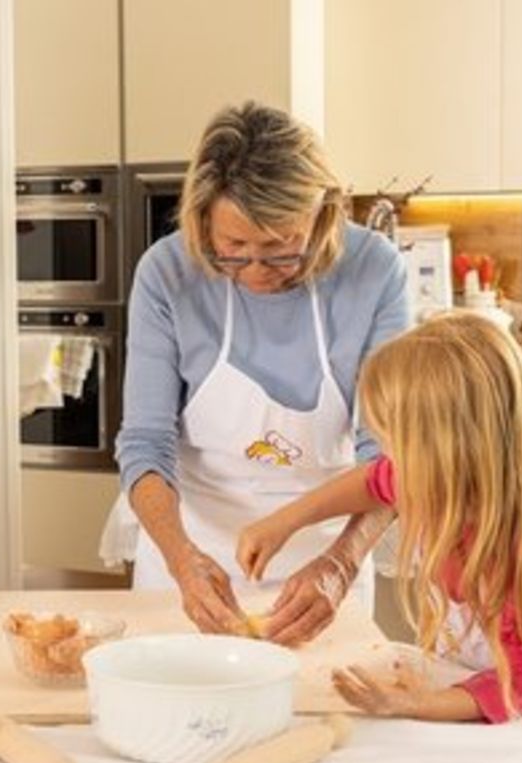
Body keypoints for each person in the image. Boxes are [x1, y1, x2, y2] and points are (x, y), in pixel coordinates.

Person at [238, 314, 522, 732]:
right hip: (480, 682)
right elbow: (374, 482)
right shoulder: (453, 477)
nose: (390, 457)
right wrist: (284, 522)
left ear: (447, 447)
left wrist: (417, 704)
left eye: (395, 441)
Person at [115, 102, 409, 645]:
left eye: (279, 251)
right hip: (189, 554)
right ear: (202, 221)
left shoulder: (375, 271)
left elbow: (390, 457)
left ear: (321, 216)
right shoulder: (166, 272)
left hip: (324, 561)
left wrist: (341, 564)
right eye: (232, 250)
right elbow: (145, 443)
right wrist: (183, 562)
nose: (254, 272)